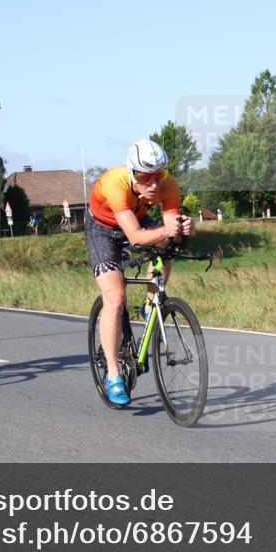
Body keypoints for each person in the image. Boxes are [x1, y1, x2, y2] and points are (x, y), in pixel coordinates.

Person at [86, 139, 195, 406]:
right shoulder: (114, 183)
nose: (154, 183)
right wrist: (166, 231)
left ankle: (151, 305)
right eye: (146, 176)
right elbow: (134, 237)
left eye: (159, 175)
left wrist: (184, 230)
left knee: (166, 245)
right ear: (133, 173)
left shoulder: (169, 187)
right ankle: (113, 375)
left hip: (136, 219)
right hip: (103, 229)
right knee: (115, 298)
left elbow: (171, 230)